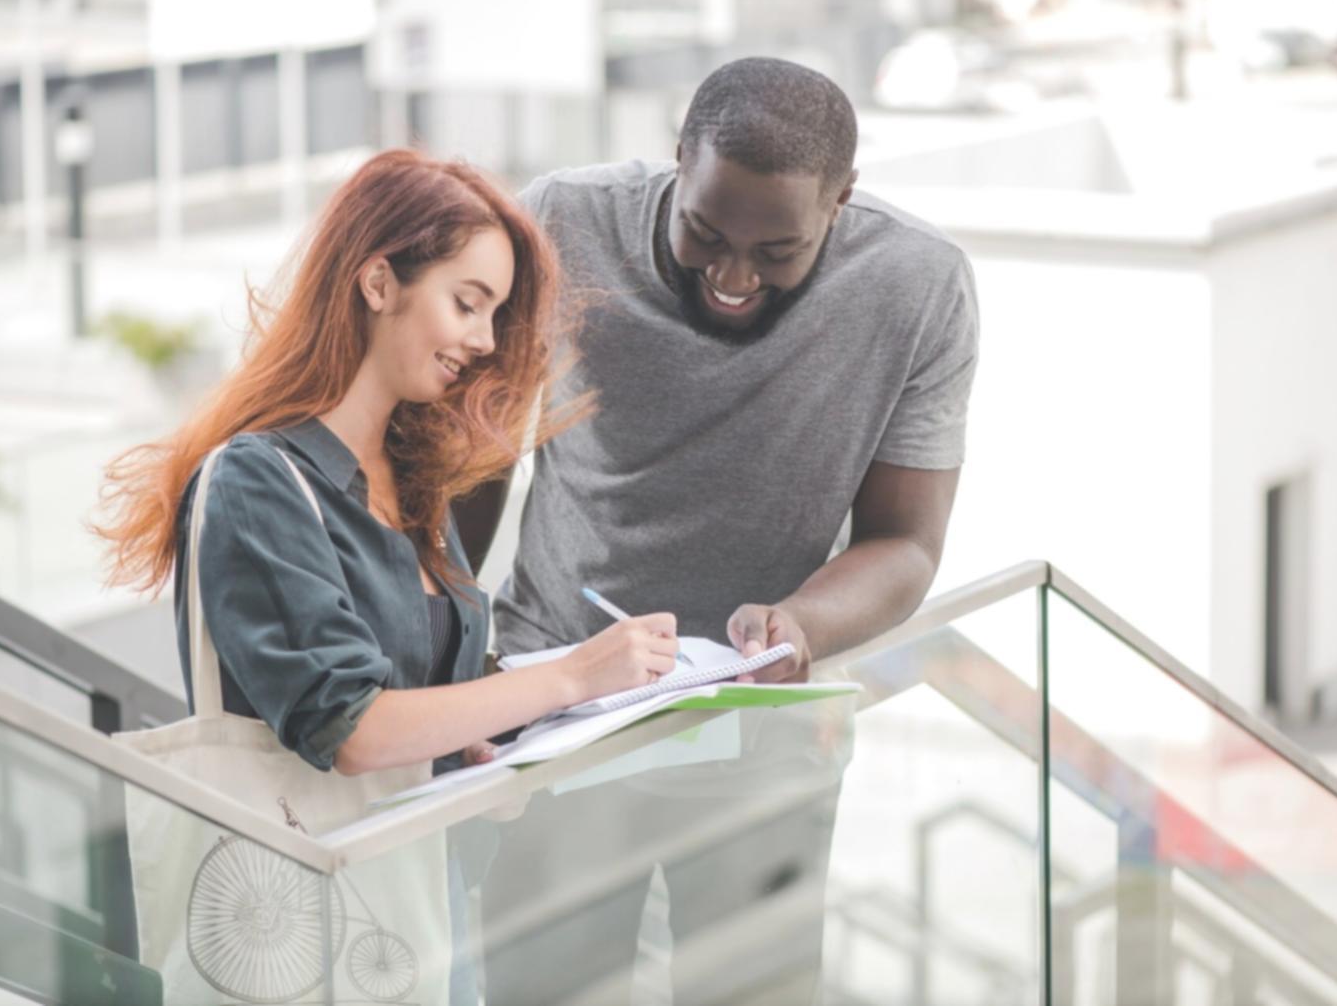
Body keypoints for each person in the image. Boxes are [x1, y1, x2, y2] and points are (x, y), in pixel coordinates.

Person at [92, 149, 682, 1002]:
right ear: (378, 281)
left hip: (424, 901)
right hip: (307, 914)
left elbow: (411, 712)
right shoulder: (257, 479)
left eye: (494, 314)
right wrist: (570, 677)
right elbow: (356, 730)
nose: (482, 340)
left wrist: (477, 752)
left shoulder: (411, 479)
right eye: (467, 303)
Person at [463, 57, 979, 1000]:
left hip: (760, 737)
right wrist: (449, 658)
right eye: (705, 232)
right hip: (556, 718)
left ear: (841, 200)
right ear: (677, 161)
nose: (734, 275)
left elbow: (906, 541)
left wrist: (804, 626)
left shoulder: (918, 286)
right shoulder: (561, 223)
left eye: (777, 250)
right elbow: (474, 457)